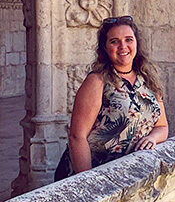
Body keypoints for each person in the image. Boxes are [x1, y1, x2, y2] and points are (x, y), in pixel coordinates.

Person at [61, 15, 168, 177]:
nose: (122, 46)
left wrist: (152, 138)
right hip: (98, 173)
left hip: (130, 173)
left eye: (128, 40)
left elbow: (162, 127)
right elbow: (77, 136)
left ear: (136, 43)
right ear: (105, 48)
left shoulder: (148, 79)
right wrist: (87, 181)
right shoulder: (97, 81)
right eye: (114, 41)